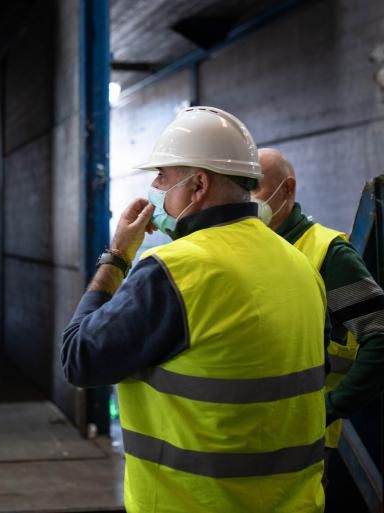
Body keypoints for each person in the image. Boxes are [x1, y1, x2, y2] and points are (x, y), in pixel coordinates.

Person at [61, 107, 328, 513]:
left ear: (198, 184)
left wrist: (116, 257)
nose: (154, 187)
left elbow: (78, 358)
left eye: (163, 176)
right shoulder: (299, 264)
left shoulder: (176, 271)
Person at [252, 148, 384, 464]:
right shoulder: (252, 249)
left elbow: (380, 337)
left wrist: (328, 409)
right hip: (256, 435)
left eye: (255, 186)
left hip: (311, 446)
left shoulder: (329, 253)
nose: (247, 198)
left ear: (287, 189)